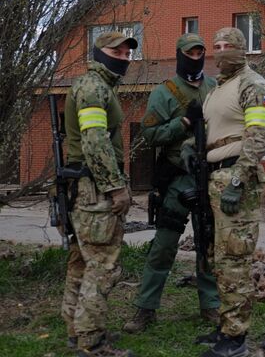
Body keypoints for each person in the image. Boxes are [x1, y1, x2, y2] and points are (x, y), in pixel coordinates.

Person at [185, 27, 265, 357]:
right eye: (216, 46)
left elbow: (258, 137)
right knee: (219, 260)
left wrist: (238, 182)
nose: (220, 52)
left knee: (235, 258)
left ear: (242, 49)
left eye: (228, 46)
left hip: (237, 177)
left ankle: (236, 340)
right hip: (213, 176)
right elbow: (211, 133)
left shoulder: (255, 85)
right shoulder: (217, 89)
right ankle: (225, 328)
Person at [123, 33, 220, 333]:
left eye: (200, 52)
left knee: (208, 243)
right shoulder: (164, 93)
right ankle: (146, 309)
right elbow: (150, 135)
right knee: (164, 245)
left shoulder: (214, 87)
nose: (195, 57)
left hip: (210, 175)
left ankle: (211, 306)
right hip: (177, 178)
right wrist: (185, 123)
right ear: (180, 55)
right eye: (190, 53)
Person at [61, 31, 137, 357]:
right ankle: (91, 342)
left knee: (80, 262)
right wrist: (115, 186)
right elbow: (95, 141)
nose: (122, 57)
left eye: (126, 52)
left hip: (86, 187)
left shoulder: (100, 86)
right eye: (114, 51)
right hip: (94, 190)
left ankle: (74, 329)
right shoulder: (93, 87)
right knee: (102, 266)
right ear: (98, 52)